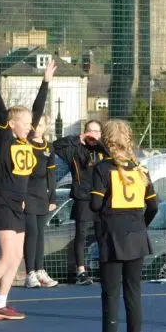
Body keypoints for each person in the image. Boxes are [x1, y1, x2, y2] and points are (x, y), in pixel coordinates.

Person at [0, 55, 56, 322]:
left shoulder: (27, 139)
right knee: (6, 257)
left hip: (20, 203)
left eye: (31, 123)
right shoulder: (5, 140)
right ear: (12, 124)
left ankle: (0, 302)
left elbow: (37, 110)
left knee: (16, 258)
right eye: (25, 123)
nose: (30, 126)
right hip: (4, 202)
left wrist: (46, 82)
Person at [77, 120, 158, 332]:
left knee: (110, 296)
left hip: (112, 237)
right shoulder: (140, 169)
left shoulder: (103, 168)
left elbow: (95, 205)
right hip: (137, 237)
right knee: (134, 296)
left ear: (107, 140)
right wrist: (138, 224)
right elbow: (153, 206)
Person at [54, 119, 106, 285]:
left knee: (102, 234)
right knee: (81, 235)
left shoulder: (103, 151)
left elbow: (113, 158)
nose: (93, 134)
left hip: (101, 197)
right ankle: (81, 271)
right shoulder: (75, 149)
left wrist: (99, 144)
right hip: (83, 197)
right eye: (90, 131)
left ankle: (105, 268)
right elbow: (55, 146)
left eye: (96, 131)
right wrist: (79, 138)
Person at [24, 113, 59, 288]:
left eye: (41, 125)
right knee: (32, 233)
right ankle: (29, 272)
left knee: (40, 234)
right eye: (34, 125)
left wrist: (52, 197)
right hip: (27, 193)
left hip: (41, 195)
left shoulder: (49, 147)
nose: (37, 129)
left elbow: (51, 174)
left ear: (46, 126)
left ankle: (40, 270)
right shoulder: (25, 144)